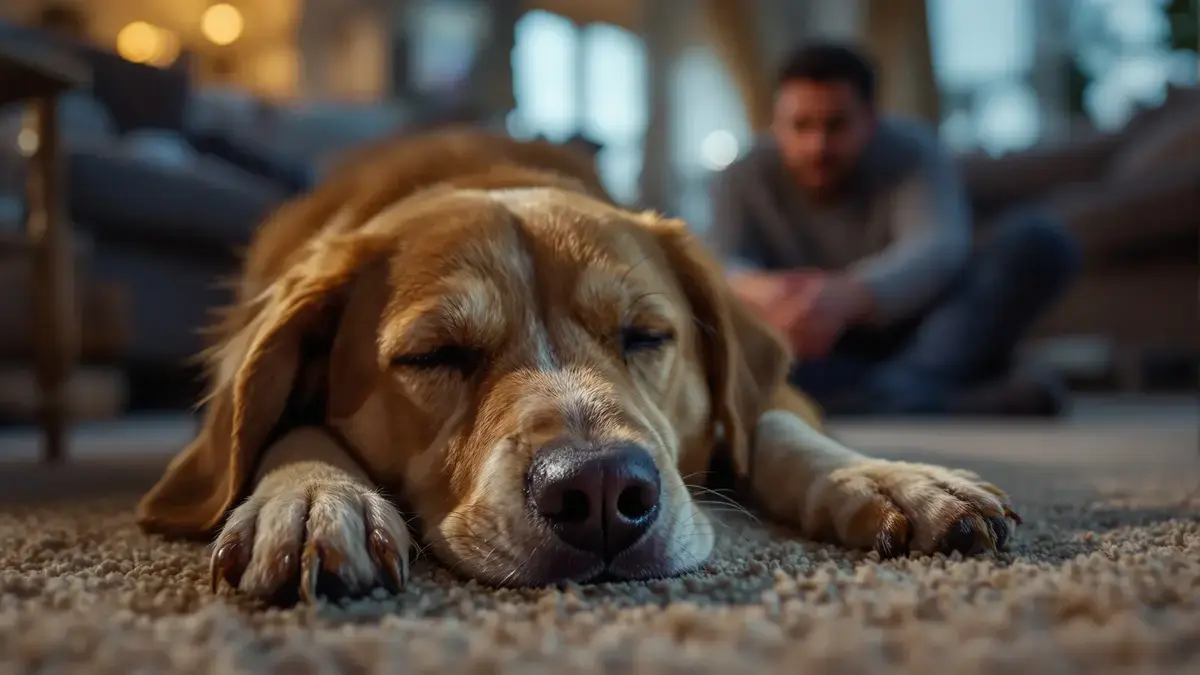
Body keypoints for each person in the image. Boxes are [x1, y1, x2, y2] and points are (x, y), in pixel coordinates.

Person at [709, 42, 1081, 416]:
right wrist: (772, 294)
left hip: (920, 334)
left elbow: (938, 248)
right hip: (815, 344)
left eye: (836, 125)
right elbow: (720, 264)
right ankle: (933, 396)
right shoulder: (743, 173)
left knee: (1038, 241)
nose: (817, 145)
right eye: (801, 126)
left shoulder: (914, 151)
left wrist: (852, 295)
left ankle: (892, 393)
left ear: (871, 120)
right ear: (776, 123)